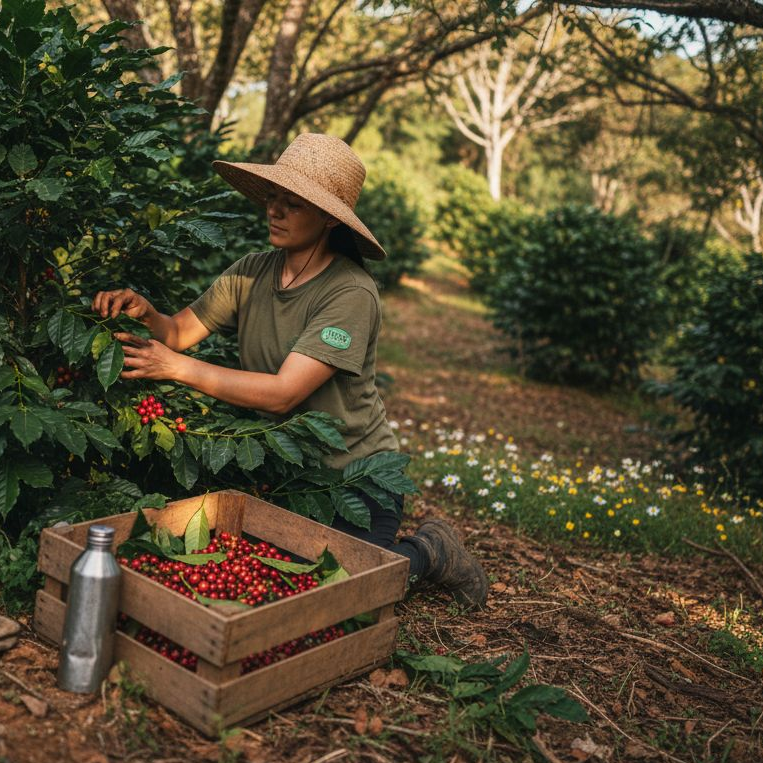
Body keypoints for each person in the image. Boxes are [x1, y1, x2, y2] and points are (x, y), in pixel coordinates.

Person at [92, 133, 488, 610]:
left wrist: (176, 368)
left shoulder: (350, 294)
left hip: (353, 477)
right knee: (267, 582)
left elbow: (284, 393)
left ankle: (431, 551)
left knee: (345, 594)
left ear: (327, 218)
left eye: (293, 204)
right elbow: (177, 331)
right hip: (283, 470)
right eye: (273, 199)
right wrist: (146, 314)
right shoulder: (251, 271)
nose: (274, 211)